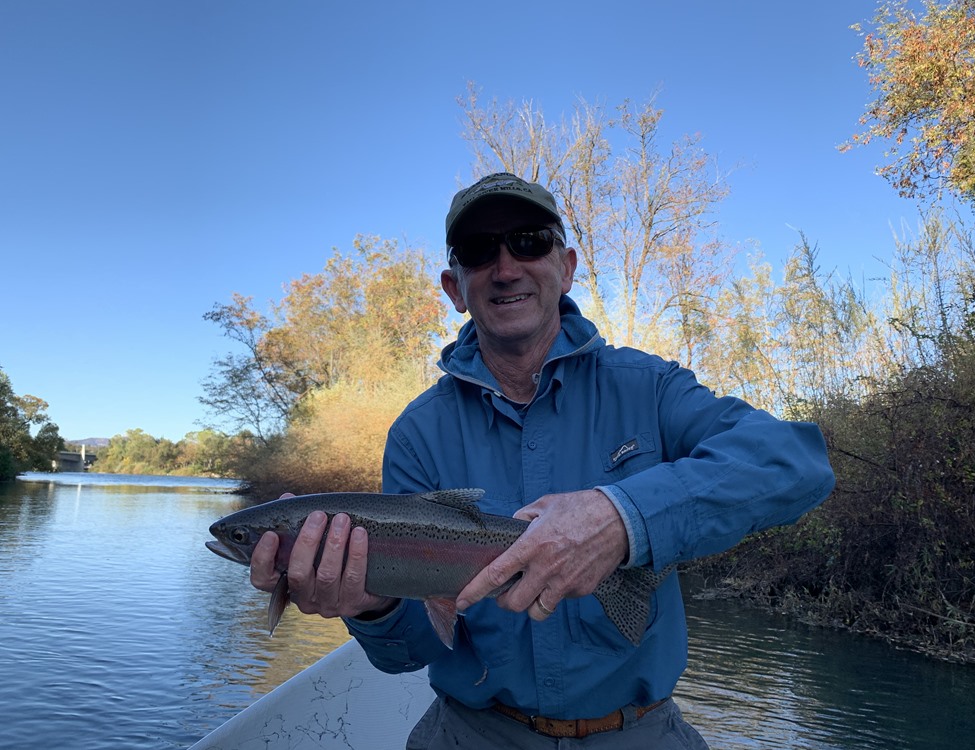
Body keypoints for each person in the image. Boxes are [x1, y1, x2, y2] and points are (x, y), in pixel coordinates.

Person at [249, 172, 836, 748]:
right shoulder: (416, 435)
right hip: (473, 731)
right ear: (455, 287)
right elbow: (412, 653)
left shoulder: (650, 388)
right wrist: (372, 608)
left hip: (641, 731)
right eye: (479, 252)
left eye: (529, 241)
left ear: (567, 267)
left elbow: (796, 462)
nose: (505, 268)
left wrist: (623, 519)